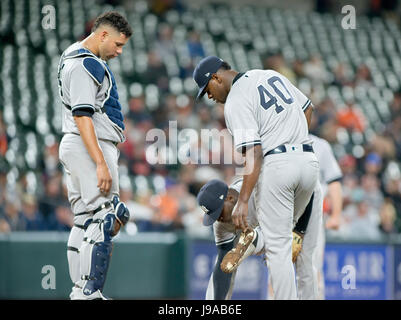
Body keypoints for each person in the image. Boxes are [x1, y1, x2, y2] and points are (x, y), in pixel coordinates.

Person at [193, 56, 320, 299]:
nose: (209, 96)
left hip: (278, 165)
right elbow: (308, 108)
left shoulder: (235, 100)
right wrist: (294, 139)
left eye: (207, 90)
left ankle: (255, 242)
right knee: (288, 237)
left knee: (278, 249)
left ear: (216, 78)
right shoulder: (269, 74)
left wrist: (242, 202)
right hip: (308, 161)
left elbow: (254, 152)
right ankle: (255, 240)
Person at [57, 12, 132, 300]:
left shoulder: (73, 55)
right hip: (89, 145)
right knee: (106, 216)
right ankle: (89, 293)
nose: (119, 51)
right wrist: (100, 161)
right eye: (117, 43)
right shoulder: (86, 64)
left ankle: (79, 291)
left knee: (84, 219)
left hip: (78, 144)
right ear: (102, 35)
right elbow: (83, 116)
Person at [197, 177, 314, 300]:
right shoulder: (221, 224)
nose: (218, 219)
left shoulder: (261, 186)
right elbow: (224, 264)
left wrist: (299, 231)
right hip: (263, 226)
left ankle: (256, 239)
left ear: (230, 198)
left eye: (219, 213)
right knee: (225, 262)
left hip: (294, 212)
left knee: (292, 258)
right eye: (213, 216)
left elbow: (307, 188)